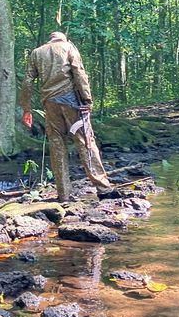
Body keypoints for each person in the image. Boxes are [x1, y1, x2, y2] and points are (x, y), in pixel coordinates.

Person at [20, 31, 112, 201]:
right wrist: (87, 99)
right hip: (72, 101)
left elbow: (27, 81)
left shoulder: (36, 53)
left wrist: (27, 109)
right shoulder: (68, 47)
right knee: (85, 141)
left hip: (50, 103)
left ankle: (64, 194)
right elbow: (79, 73)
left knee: (56, 145)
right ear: (63, 38)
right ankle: (103, 188)